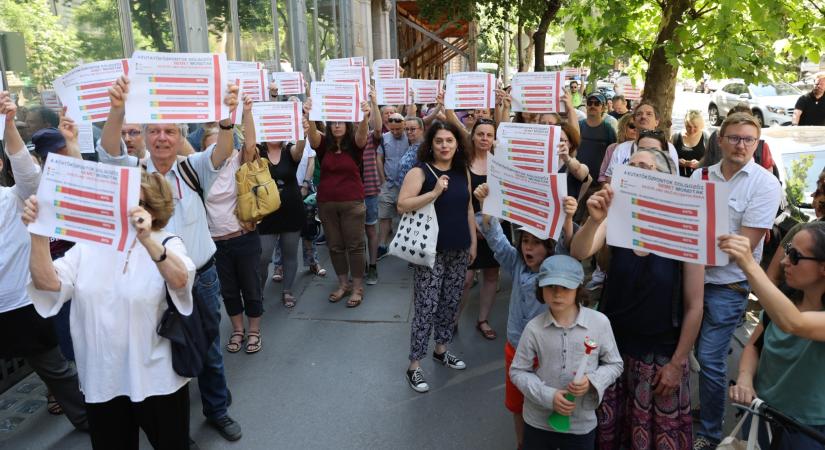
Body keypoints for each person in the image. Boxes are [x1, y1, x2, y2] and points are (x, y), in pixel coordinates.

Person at [96, 75, 243, 442]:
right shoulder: (131, 175)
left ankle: (217, 410)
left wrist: (227, 117)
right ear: (145, 136)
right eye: (155, 131)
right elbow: (109, 149)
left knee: (207, 347)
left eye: (170, 132)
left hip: (200, 277)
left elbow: (223, 150)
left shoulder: (194, 171)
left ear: (180, 138)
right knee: (164, 354)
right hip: (149, 282)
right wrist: (117, 110)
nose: (162, 137)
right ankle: (176, 423)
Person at [26, 171, 194, 449]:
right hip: (103, 380)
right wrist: (38, 232)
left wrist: (148, 240)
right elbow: (47, 283)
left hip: (158, 379)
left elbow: (180, 279)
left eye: (134, 199)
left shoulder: (167, 242)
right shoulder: (88, 247)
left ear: (152, 206)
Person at [570, 149, 705, 450]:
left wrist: (677, 363)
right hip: (614, 351)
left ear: (666, 179)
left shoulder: (686, 223)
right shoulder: (618, 215)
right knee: (611, 434)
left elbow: (695, 305)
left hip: (659, 358)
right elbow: (580, 252)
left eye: (647, 167)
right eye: (632, 166)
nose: (637, 171)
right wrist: (594, 221)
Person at [691, 113, 782, 450]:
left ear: (756, 145)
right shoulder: (701, 176)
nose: (741, 145)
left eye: (748, 140)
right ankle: (703, 406)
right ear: (720, 140)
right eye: (734, 138)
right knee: (695, 353)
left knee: (712, 358)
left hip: (727, 287)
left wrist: (694, 253)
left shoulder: (764, 184)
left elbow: (743, 246)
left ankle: (711, 433)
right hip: (691, 281)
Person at [0, 92, 88, 432]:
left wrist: (8, 125)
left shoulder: (18, 196)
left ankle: (86, 420)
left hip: (23, 304)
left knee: (57, 371)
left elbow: (23, 165)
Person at [473, 183, 579, 449]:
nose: (528, 247)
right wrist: (488, 207)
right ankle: (522, 444)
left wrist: (567, 217)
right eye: (525, 241)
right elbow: (497, 242)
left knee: (546, 404)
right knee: (517, 405)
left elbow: (568, 246)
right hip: (516, 349)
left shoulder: (556, 269)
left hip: (547, 354)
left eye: (536, 242)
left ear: (549, 246)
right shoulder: (517, 263)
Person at [721, 222, 825, 450]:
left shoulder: (786, 312)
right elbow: (753, 346)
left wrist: (748, 263)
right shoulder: (782, 302)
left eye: (795, 256)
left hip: (807, 431)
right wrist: (746, 378)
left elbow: (794, 323)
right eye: (788, 250)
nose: (784, 261)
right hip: (761, 412)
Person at [510, 255, 623, 450]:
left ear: (578, 288)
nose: (557, 294)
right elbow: (518, 371)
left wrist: (593, 381)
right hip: (538, 423)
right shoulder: (533, 328)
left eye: (565, 287)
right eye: (551, 286)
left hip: (580, 425)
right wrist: (548, 396)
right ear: (541, 289)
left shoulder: (599, 323)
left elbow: (615, 364)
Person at [399, 120, 477, 393]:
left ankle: (441, 349)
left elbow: (468, 209)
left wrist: (473, 242)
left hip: (459, 248)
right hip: (430, 251)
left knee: (450, 301)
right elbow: (402, 204)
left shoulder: (461, 170)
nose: (445, 145)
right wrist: (433, 193)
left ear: (457, 144)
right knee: (425, 307)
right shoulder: (421, 172)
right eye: (439, 141)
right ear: (430, 145)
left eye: (450, 141)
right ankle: (414, 366)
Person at [204, 96, 265, 355]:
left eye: (221, 145)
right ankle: (237, 330)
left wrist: (246, 113)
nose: (217, 151)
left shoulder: (237, 164)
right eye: (212, 147)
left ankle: (253, 331)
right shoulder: (199, 171)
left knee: (250, 287)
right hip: (215, 243)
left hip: (243, 237)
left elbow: (250, 143)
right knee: (228, 292)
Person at [305, 98, 371, 308]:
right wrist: (309, 114)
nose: (337, 125)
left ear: (348, 124)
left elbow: (362, 135)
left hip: (352, 203)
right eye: (333, 122)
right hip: (326, 204)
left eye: (341, 122)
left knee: (355, 246)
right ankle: (343, 284)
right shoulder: (324, 145)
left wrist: (365, 115)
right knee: (335, 246)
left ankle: (358, 287)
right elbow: (313, 137)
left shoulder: (355, 145)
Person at [256, 110, 306, 310]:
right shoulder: (257, 153)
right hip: (266, 214)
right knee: (263, 257)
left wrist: (303, 128)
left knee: (290, 254)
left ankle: (287, 291)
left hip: (291, 210)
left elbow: (300, 150)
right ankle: (257, 292)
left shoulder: (290, 151)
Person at [457, 118, 501, 339]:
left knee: (492, 274)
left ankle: (482, 320)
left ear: (494, 139)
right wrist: (474, 227)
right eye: (480, 134)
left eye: (489, 135)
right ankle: (453, 320)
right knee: (465, 278)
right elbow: (463, 198)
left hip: (494, 226)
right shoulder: (464, 162)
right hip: (468, 226)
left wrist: (492, 227)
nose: (485, 139)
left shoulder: (500, 162)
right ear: (472, 136)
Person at [603, 101, 679, 184]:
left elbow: (673, 181)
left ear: (657, 122)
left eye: (649, 114)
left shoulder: (669, 148)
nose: (643, 116)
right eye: (639, 114)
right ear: (635, 122)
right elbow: (610, 178)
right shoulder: (621, 149)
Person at [363, 90, 383, 285]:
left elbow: (378, 129)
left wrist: (374, 104)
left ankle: (373, 266)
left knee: (370, 230)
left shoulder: (371, 137)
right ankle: (359, 266)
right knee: (353, 234)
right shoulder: (343, 140)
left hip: (369, 190)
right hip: (350, 194)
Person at [577, 93, 616, 184]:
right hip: (577, 178)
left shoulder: (608, 129)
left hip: (598, 182)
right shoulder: (578, 126)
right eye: (590, 103)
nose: (592, 106)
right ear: (586, 106)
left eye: (597, 103)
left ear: (603, 108)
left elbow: (613, 157)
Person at [598, 114, 636, 184]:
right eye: (632, 126)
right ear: (623, 127)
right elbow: (602, 176)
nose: (635, 129)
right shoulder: (612, 148)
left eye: (638, 127)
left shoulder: (643, 150)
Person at [557, 122, 591, 201]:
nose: (556, 142)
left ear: (571, 143)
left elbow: (579, 170)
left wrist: (566, 158)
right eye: (553, 138)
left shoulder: (574, 163)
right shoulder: (543, 163)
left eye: (561, 140)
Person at [672, 110, 708, 177]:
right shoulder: (676, 137)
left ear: (701, 125)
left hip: (700, 180)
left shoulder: (706, 138)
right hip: (678, 179)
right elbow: (667, 157)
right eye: (689, 126)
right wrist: (677, 161)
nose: (692, 130)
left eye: (695, 127)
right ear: (685, 124)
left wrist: (700, 164)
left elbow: (713, 161)